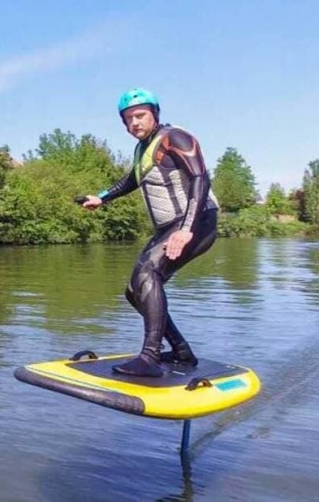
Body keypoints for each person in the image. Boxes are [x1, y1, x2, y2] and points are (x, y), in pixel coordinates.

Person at [77, 88, 220, 377]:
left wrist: (186, 230)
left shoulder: (175, 137)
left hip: (197, 220)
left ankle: (149, 359)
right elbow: (132, 179)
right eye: (128, 119)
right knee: (134, 292)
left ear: (154, 113)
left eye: (140, 116)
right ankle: (181, 352)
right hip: (171, 226)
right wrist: (102, 197)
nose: (135, 123)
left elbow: (199, 178)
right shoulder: (144, 149)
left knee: (146, 274)